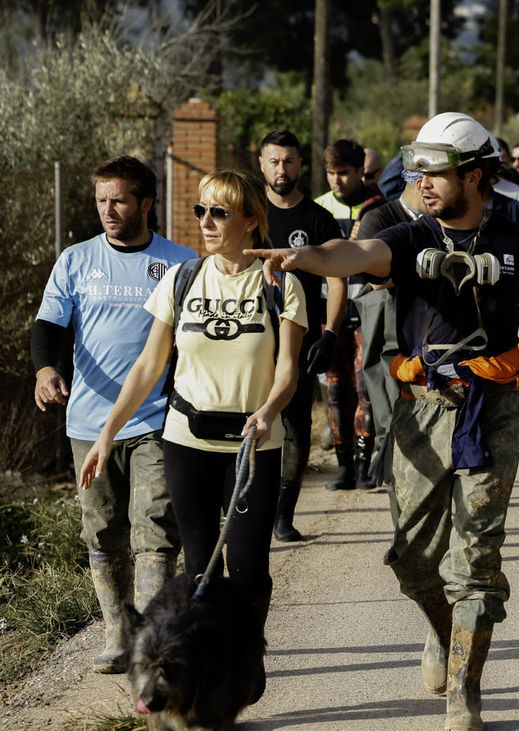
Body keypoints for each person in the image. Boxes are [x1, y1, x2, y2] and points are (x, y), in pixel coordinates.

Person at [247, 111, 519, 730]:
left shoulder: (515, 242)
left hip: (493, 411)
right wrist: (304, 258)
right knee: (411, 560)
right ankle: (443, 631)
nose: (422, 180)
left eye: (436, 170)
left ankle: (465, 686)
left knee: (478, 558)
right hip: (419, 413)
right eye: (418, 169)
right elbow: (354, 251)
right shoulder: (410, 238)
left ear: (476, 175)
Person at [79, 169, 307, 701]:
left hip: (255, 442)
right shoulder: (181, 279)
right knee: (201, 570)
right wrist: (107, 433)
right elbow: (147, 366)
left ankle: (248, 650)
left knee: (247, 569)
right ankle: (210, 671)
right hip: (186, 440)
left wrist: (271, 409)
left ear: (250, 220)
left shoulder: (280, 283)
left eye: (219, 213)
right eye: (201, 211)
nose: (205, 222)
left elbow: (289, 369)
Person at [33, 155, 193, 673]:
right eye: (102, 199)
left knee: (153, 526)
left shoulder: (180, 263)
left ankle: (150, 640)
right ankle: (117, 633)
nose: (108, 209)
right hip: (88, 422)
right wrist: (44, 370)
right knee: (101, 530)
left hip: (155, 420)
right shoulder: (75, 260)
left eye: (119, 199)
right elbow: (49, 327)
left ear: (145, 202)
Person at [258, 130, 349, 539]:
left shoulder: (317, 219)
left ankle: (282, 515)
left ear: (300, 165)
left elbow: (339, 279)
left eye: (289, 161)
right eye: (274, 161)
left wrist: (330, 334)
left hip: (302, 341)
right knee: (249, 421)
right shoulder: (247, 214)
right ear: (261, 164)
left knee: (295, 425)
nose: (282, 169)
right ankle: (245, 505)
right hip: (250, 336)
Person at [314, 139, 385, 492]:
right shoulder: (319, 208)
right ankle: (342, 468)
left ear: (360, 171)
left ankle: (362, 466)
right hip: (330, 314)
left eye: (344, 173)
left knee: (365, 388)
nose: (337, 181)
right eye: (330, 173)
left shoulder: (379, 207)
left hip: (367, 312)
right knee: (337, 391)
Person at [352, 170, 427, 487]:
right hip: (389, 337)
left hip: (428, 337)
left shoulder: (438, 221)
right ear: (420, 181)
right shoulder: (378, 218)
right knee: (391, 416)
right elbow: (375, 277)